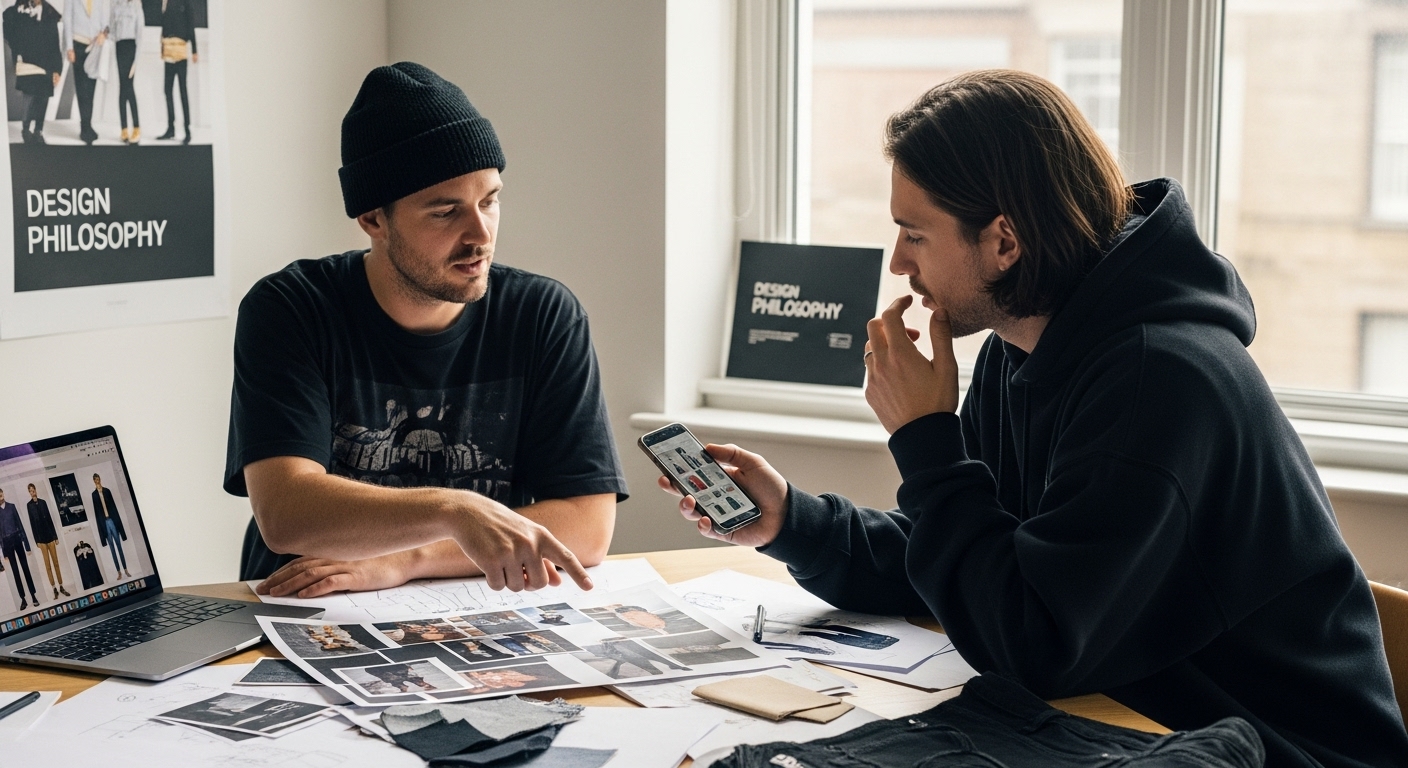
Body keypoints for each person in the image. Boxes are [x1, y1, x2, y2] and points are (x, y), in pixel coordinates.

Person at [660, 70, 1408, 768]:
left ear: (1004, 241)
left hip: (1263, 746)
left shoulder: (1159, 379)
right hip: (1124, 714)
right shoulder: (1022, 350)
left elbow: (1031, 638)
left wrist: (925, 440)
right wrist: (792, 521)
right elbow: (969, 564)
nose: (897, 263)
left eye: (915, 234)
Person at [225, 62, 625, 601]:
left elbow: (586, 524)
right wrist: (455, 511)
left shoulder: (543, 314)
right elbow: (287, 513)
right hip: (313, 610)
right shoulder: (291, 308)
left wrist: (407, 559)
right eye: (445, 212)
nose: (480, 235)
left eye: (490, 200)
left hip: (479, 612)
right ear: (373, 219)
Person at [2, 0, 63, 144]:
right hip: (28, 60)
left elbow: (55, 42)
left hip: (47, 62)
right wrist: (17, 50)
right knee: (29, 96)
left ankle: (38, 130)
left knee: (43, 97)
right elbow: (8, 25)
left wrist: (57, 69)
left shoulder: (50, 12)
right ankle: (25, 129)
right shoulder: (18, 9)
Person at [61, 0, 107, 144]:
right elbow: (67, 19)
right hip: (78, 43)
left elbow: (105, 18)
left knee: (91, 86)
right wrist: (69, 47)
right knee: (82, 87)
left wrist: (104, 33)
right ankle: (85, 126)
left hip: (95, 45)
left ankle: (88, 124)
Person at [157, 0, 197, 143]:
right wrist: (162, 44)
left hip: (180, 48)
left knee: (182, 91)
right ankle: (170, 128)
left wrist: (194, 49)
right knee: (167, 90)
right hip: (168, 48)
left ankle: (187, 129)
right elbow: (165, 23)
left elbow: (190, 22)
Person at [25, 484, 68, 600]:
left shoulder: (43, 502)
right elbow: (32, 524)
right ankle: (54, 588)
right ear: (29, 492)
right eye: (30, 491)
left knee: (56, 563)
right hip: (41, 540)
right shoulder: (29, 506)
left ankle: (61, 586)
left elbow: (49, 519)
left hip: (50, 537)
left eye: (33, 490)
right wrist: (36, 541)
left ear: (36, 490)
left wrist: (55, 536)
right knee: (47, 565)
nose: (33, 492)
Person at [0, 488, 39, 610]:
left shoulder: (11, 507)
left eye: (0, 494)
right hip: (7, 543)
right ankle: (23, 599)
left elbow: (20, 524)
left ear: (3, 493)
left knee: (25, 568)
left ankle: (33, 596)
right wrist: (4, 551)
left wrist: (26, 545)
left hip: (17, 540)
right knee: (16, 572)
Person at [109, 0, 142, 144]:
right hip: (119, 47)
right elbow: (112, 30)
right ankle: (124, 128)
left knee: (129, 87)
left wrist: (135, 61)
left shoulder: (137, 6)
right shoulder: (115, 5)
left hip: (131, 47)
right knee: (123, 87)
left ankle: (136, 127)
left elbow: (140, 36)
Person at [91, 473, 130, 580]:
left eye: (98, 479)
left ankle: (126, 569)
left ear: (100, 479)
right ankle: (119, 572)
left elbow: (114, 508)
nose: (97, 481)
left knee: (119, 546)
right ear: (93, 481)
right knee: (112, 549)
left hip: (112, 520)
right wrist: (101, 535)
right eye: (95, 480)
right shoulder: (94, 495)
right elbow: (96, 514)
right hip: (104, 523)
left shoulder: (107, 491)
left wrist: (121, 529)